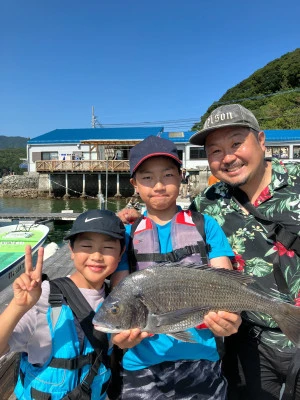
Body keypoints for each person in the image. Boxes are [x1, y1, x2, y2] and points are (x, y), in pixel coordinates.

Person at [113, 135, 241, 400]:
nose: (158, 185)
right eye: (147, 178)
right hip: (142, 365)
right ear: (134, 184)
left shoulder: (206, 226)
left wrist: (231, 317)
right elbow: (119, 298)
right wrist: (118, 335)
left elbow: (227, 285)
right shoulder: (127, 235)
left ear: (181, 177)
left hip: (202, 359)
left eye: (168, 175)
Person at [188, 104, 300, 400]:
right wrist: (126, 225)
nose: (228, 157)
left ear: (261, 141)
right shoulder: (206, 204)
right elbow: (171, 231)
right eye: (215, 151)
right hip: (249, 342)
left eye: (236, 143)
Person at [0, 209, 126, 400]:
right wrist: (18, 306)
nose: (97, 256)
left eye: (108, 248)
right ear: (71, 251)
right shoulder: (44, 298)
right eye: (86, 246)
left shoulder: (117, 301)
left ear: (121, 254)